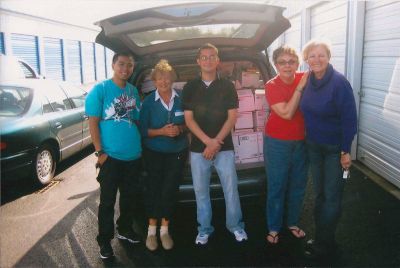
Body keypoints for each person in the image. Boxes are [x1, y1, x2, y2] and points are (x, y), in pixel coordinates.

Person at [182, 43, 248, 245]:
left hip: (224, 147)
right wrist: (207, 142)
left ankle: (235, 226)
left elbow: (232, 117)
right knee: (201, 192)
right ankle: (204, 229)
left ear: (218, 60)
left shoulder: (227, 86)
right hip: (198, 150)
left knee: (231, 189)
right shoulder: (190, 87)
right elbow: (189, 120)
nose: (208, 60)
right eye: (204, 57)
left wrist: (215, 143)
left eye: (212, 56)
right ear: (198, 61)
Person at [300, 39, 357, 258]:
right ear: (306, 60)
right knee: (321, 194)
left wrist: (345, 150)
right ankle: (324, 237)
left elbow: (349, 119)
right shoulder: (308, 80)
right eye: (312, 56)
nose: (316, 59)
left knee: (331, 197)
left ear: (329, 57)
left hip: (334, 149)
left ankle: (325, 244)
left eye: (321, 55)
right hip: (314, 146)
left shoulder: (339, 83)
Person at [85, 52, 142, 259]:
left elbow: (136, 119)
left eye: (129, 65)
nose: (125, 68)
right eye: (121, 64)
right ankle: (104, 241)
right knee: (107, 202)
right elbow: (93, 122)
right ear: (113, 65)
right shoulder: (100, 90)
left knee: (129, 198)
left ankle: (125, 229)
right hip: (110, 158)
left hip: (133, 156)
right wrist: (100, 153)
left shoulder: (133, 91)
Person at [139, 59, 188, 251]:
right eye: (159, 79)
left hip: (177, 152)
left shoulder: (182, 98)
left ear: (172, 79)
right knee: (154, 189)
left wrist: (180, 129)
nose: (163, 82)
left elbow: (189, 123)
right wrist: (162, 132)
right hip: (154, 152)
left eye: (167, 78)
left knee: (169, 189)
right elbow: (142, 130)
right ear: (154, 81)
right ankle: (151, 232)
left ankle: (164, 231)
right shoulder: (149, 102)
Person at [264, 45, 309, 244]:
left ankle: (292, 222)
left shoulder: (305, 77)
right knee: (277, 186)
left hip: (302, 141)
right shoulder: (272, 85)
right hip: (277, 142)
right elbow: (287, 113)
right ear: (275, 65)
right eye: (282, 62)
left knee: (298, 185)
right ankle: (274, 227)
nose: (287, 66)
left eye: (291, 61)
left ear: (298, 63)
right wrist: (300, 88)